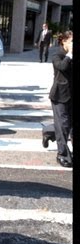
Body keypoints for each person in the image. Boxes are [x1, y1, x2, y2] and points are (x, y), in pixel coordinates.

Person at [48, 31, 73, 167]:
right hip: (60, 95)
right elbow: (62, 67)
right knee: (63, 124)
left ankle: (48, 132)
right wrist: (69, 55)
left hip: (71, 94)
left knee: (68, 125)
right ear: (64, 41)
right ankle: (62, 154)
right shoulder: (57, 55)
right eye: (72, 41)